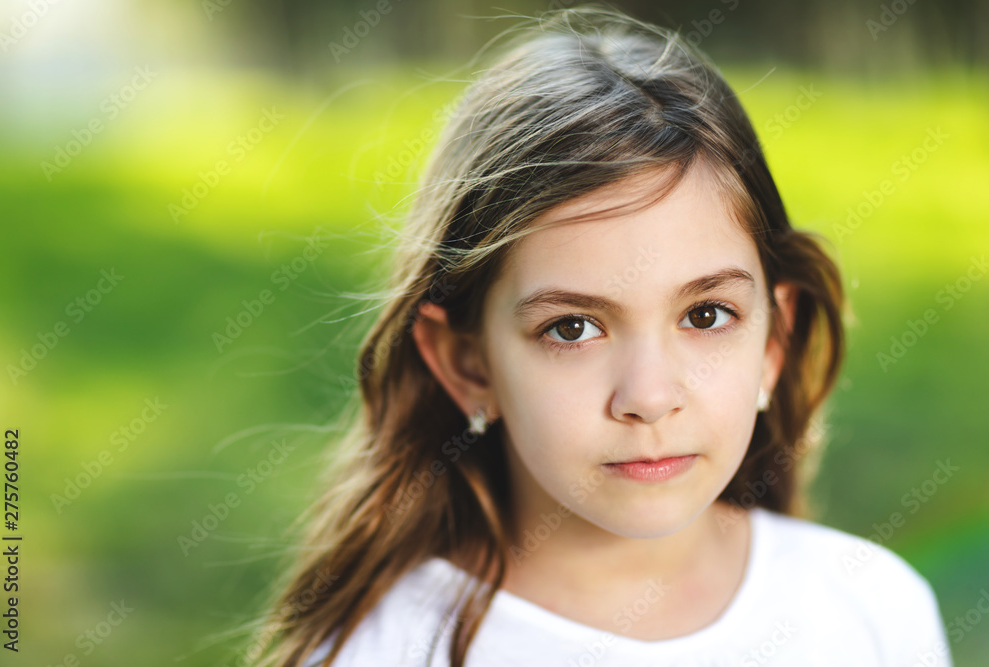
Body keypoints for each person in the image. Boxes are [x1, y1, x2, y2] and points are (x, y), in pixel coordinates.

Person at [250, 6, 952, 666]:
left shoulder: (869, 609)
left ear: (774, 339)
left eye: (705, 315)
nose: (648, 397)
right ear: (468, 363)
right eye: (573, 328)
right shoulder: (386, 646)